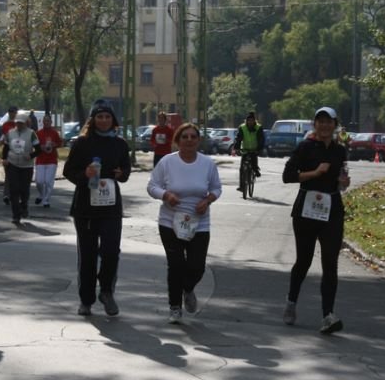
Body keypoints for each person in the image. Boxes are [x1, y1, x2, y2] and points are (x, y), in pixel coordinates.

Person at [282, 106, 351, 334]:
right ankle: (291, 301)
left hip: (332, 210)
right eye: (320, 121)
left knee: (330, 264)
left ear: (334, 125)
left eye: (329, 122)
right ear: (315, 125)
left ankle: (328, 315)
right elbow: (288, 176)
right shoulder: (305, 147)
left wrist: (343, 182)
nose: (324, 126)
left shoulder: (340, 151)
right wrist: (314, 173)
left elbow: (340, 180)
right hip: (306, 210)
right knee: (304, 260)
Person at [147, 123, 222, 324]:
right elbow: (152, 186)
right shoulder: (167, 162)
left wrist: (207, 201)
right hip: (170, 221)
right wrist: (166, 195)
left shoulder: (207, 164)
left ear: (198, 140)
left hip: (199, 222)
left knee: (197, 267)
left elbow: (216, 188)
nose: (189, 140)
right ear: (178, 140)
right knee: (176, 265)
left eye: (193, 137)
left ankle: (188, 289)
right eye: (185, 137)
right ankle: (174, 307)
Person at [63, 100, 131, 317]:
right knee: (88, 255)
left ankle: (107, 292)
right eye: (99, 117)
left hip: (111, 207)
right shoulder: (82, 143)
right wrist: (85, 175)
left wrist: (122, 174)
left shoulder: (120, 144)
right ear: (93, 120)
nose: (104, 121)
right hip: (85, 207)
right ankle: (86, 300)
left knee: (111, 252)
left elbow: (126, 172)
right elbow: (68, 171)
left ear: (113, 120)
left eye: (107, 117)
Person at [1, 112, 40, 225]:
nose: (19, 125)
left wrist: (31, 155)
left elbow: (38, 150)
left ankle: (24, 205)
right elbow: (6, 147)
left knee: (24, 189)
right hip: (12, 164)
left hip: (26, 166)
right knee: (14, 189)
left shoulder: (31, 134)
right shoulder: (10, 133)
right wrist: (4, 158)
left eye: (21, 123)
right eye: (17, 123)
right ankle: (15, 215)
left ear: (26, 123)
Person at [34, 113, 62, 208]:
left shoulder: (54, 133)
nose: (46, 122)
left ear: (51, 122)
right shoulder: (38, 133)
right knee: (39, 181)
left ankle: (46, 200)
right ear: (43, 122)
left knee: (48, 181)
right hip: (41, 160)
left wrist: (54, 144)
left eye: (48, 121)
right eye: (45, 121)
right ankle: (41, 195)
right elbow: (34, 145)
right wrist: (40, 147)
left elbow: (60, 143)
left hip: (51, 160)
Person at [233, 111, 264, 191]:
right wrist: (237, 148)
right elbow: (238, 138)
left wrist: (259, 149)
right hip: (245, 149)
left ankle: (256, 170)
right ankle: (242, 186)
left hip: (254, 149)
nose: (250, 122)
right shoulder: (242, 127)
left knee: (254, 163)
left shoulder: (258, 128)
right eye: (248, 120)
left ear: (254, 121)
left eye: (252, 120)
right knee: (242, 168)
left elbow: (261, 139)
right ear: (246, 121)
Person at [1, 106, 19, 205]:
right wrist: (2, 139)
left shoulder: (19, 124)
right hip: (7, 150)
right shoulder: (5, 124)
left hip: (17, 150)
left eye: (14, 112)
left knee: (16, 174)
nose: (12, 113)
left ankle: (15, 194)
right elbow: (4, 137)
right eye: (10, 112)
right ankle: (6, 195)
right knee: (8, 174)